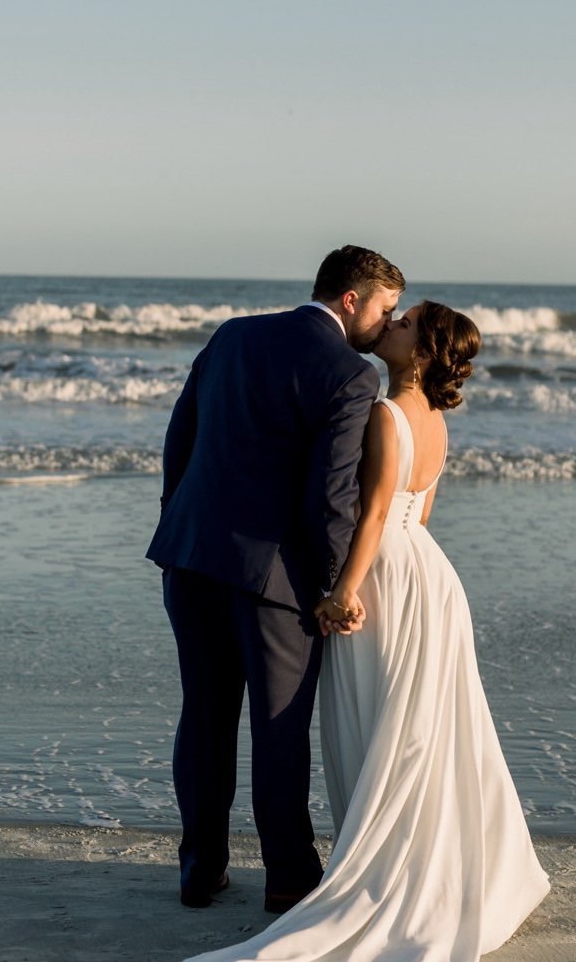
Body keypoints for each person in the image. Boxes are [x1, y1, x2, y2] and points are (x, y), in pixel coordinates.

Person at [185, 301, 549, 961]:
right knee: (419, 730)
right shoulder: (437, 421)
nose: (392, 324)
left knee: (380, 728)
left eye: (405, 323)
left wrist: (342, 592)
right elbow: (421, 510)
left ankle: (385, 871)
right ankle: (426, 867)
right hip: (428, 578)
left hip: (379, 576)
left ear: (421, 350)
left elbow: (373, 512)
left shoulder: (385, 413)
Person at [147, 245, 405, 911]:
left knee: (203, 717)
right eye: (385, 308)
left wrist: (178, 525)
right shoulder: (349, 374)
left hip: (192, 554)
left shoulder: (233, 333)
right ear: (351, 300)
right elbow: (331, 497)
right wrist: (332, 586)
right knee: (278, 726)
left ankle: (199, 871)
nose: (387, 323)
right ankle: (288, 877)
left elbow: (182, 437)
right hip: (275, 577)